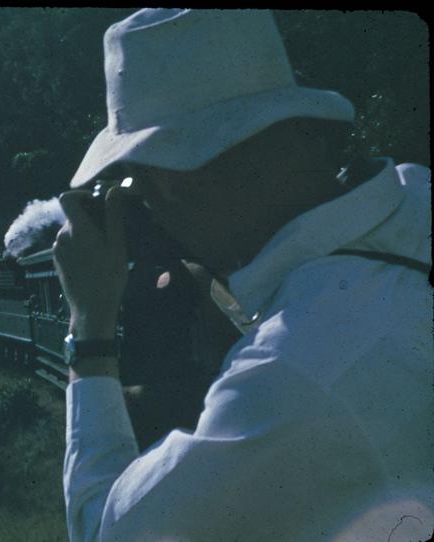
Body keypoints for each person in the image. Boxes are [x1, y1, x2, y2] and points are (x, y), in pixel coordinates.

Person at [52, 9, 433, 542]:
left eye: (136, 184)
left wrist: (90, 327)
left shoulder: (287, 379)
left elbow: (105, 530)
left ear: (166, 184)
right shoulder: (416, 193)